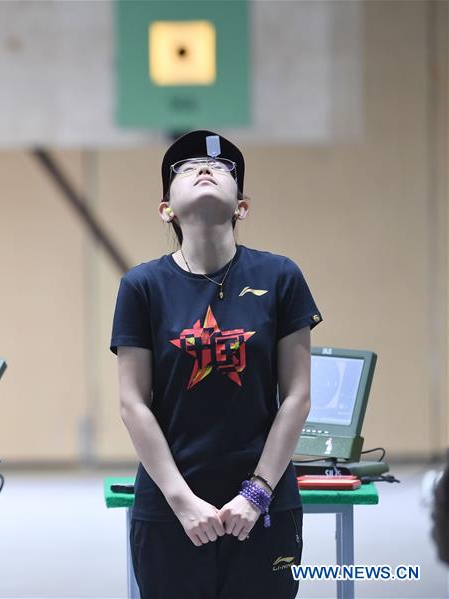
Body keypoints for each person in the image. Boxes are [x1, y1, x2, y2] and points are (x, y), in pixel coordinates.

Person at [111, 131, 320, 598]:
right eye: (186, 169)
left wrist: (258, 491)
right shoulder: (141, 286)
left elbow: (298, 396)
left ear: (241, 207)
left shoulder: (280, 276)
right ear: (166, 208)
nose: (205, 168)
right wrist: (182, 501)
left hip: (264, 506)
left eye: (222, 168)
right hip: (169, 509)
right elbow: (132, 404)